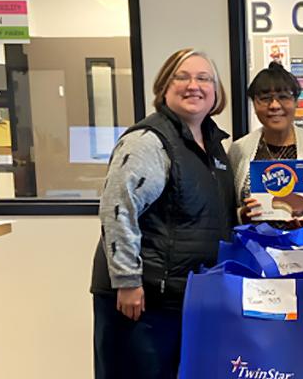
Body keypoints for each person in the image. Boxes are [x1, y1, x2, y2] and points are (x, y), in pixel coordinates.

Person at [90, 48, 235, 379]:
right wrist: (127, 281)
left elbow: (201, 210)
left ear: (217, 91)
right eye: (181, 77)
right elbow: (117, 207)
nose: (193, 85)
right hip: (143, 302)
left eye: (203, 78)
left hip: (183, 297)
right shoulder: (149, 141)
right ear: (164, 87)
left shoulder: (212, 143)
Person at [229, 61, 303, 228]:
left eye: (283, 97)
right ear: (254, 104)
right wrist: (242, 215)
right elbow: (227, 208)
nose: (274, 106)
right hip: (253, 248)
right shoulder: (239, 150)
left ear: (296, 102)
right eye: (264, 99)